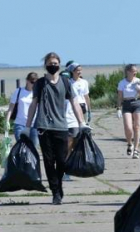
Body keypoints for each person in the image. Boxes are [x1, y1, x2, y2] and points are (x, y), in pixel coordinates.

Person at [26, 52, 86, 205]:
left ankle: (58, 185)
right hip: (43, 126)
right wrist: (27, 126)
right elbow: (34, 104)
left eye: (55, 63)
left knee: (61, 161)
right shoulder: (40, 83)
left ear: (59, 65)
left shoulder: (65, 82)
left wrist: (82, 123)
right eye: (50, 63)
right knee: (48, 160)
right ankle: (55, 192)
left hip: (61, 126)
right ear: (45, 65)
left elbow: (75, 103)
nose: (53, 66)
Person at [117, 64, 140, 158]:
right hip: (126, 104)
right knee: (128, 127)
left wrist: (138, 89)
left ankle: (136, 150)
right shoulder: (122, 83)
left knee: (137, 127)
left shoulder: (139, 81)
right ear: (128, 72)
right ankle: (129, 143)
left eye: (136, 71)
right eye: (133, 71)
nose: (135, 72)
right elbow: (120, 96)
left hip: (137, 103)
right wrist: (118, 108)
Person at [6, 72, 39, 150]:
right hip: (20, 124)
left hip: (34, 125)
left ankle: (31, 162)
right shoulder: (19, 91)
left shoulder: (37, 93)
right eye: (32, 82)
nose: (34, 84)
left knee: (34, 148)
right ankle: (21, 161)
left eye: (36, 83)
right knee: (22, 147)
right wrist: (7, 121)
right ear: (27, 81)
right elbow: (11, 108)